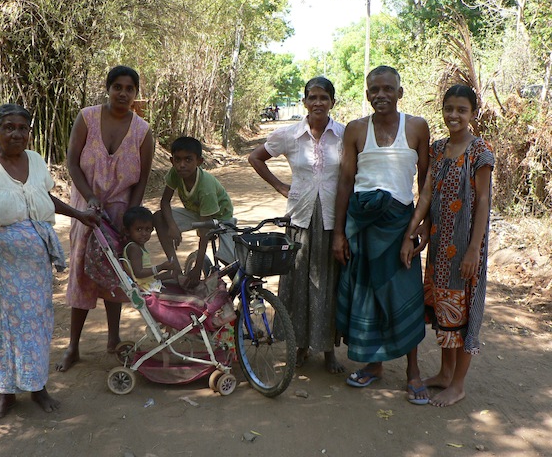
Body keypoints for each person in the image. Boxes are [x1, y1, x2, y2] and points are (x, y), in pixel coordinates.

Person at [0, 104, 99, 418]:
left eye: (22, 128)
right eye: (9, 127)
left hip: (34, 266)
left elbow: (44, 198)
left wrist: (79, 215)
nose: (16, 134)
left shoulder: (35, 160)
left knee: (36, 323)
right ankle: (6, 393)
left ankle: (37, 388)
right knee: (0, 326)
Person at [332, 65, 431, 404]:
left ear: (400, 92)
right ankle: (374, 365)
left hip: (399, 225)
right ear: (367, 94)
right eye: (374, 90)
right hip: (361, 225)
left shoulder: (417, 127)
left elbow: (425, 183)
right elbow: (345, 181)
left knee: (404, 295)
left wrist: (422, 227)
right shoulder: (356, 130)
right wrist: (339, 235)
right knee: (369, 295)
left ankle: (413, 371)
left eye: (388, 89)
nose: (381, 95)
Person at [400, 84, 494, 407]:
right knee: (445, 312)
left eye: (461, 110)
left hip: (466, 250)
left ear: (472, 113)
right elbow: (426, 195)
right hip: (439, 249)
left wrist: (473, 250)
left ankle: (458, 384)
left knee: (465, 315)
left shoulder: (480, 151)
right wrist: (412, 230)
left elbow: (482, 201)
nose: (453, 115)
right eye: (448, 108)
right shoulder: (438, 149)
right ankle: (443, 373)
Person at [57, 66, 154, 372]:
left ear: (135, 94)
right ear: (108, 88)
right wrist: (90, 199)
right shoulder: (87, 118)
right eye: (117, 87)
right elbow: (72, 163)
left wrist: (129, 218)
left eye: (129, 88)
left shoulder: (143, 131)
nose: (122, 93)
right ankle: (73, 346)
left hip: (120, 211)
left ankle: (114, 339)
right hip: (85, 210)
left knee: (117, 274)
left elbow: (142, 180)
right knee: (81, 271)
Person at [249, 77, 346, 373]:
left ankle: (328, 350)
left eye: (324, 97)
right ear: (304, 102)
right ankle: (300, 346)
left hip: (332, 220)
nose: (318, 102)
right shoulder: (290, 135)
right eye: (312, 97)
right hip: (300, 218)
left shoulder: (344, 135)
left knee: (328, 284)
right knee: (298, 283)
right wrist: (280, 186)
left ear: (332, 102)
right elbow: (256, 158)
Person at [153, 136, 234, 288]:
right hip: (197, 213)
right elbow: (165, 202)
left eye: (188, 160)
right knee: (158, 217)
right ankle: (175, 268)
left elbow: (204, 232)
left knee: (230, 260)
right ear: (172, 161)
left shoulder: (206, 188)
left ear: (199, 162)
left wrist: (197, 268)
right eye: (177, 160)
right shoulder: (175, 173)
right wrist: (172, 226)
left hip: (220, 218)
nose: (181, 165)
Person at [121, 206, 175, 293]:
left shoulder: (137, 247)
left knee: (176, 280)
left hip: (148, 283)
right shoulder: (134, 248)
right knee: (179, 293)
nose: (144, 233)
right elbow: (139, 273)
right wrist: (161, 267)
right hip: (145, 288)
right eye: (139, 229)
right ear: (127, 231)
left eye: (147, 229)